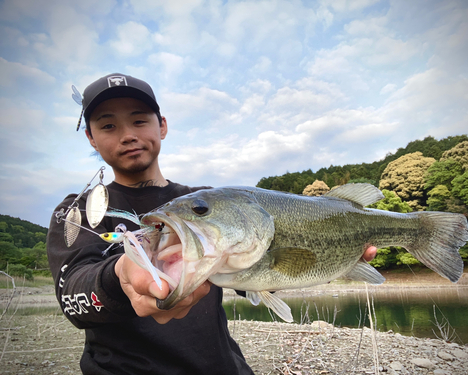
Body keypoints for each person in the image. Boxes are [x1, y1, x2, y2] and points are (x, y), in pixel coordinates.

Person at [47, 73, 377, 374]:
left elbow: (254, 271)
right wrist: (119, 277)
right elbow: (73, 294)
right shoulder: (76, 212)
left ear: (162, 125)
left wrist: (334, 253)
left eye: (139, 120)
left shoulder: (204, 200)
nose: (128, 135)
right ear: (90, 137)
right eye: (108, 126)